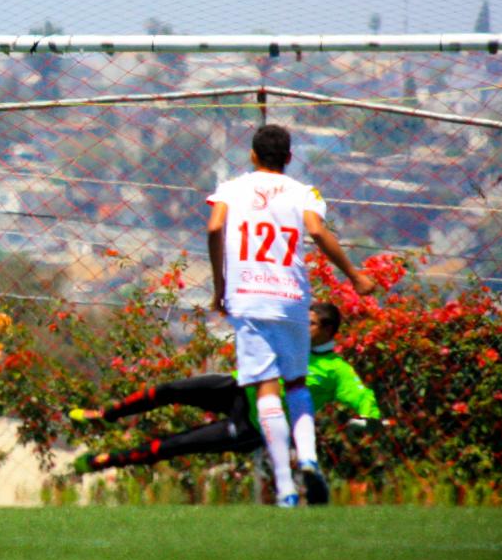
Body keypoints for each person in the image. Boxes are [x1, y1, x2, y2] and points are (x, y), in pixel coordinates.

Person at [206, 124, 374, 507]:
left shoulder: (231, 189)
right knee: (296, 384)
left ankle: (285, 488)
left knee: (265, 388)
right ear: (289, 158)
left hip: (247, 297)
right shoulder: (304, 193)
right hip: (291, 298)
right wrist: (354, 274)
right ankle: (310, 459)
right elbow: (316, 232)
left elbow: (215, 226)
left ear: (252, 155)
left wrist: (220, 286)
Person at [69, 301, 386, 475]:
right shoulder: (291, 340)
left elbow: (362, 396)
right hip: (236, 387)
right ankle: (106, 414)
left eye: (311, 323)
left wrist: (370, 417)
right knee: (168, 389)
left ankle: (107, 461)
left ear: (328, 329)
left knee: (176, 444)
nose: (302, 327)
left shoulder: (336, 370)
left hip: (253, 423)